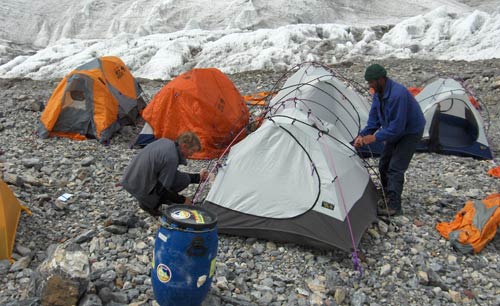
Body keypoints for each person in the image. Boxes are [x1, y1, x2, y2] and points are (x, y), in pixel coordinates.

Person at [354, 64, 425, 216]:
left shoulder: (397, 95)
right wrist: (362, 135)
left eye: (372, 82)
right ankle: (387, 195)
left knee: (395, 167)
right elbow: (374, 121)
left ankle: (394, 206)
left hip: (410, 132)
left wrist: (374, 138)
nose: (370, 85)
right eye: (368, 82)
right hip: (394, 131)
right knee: (383, 164)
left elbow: (398, 127)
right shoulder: (378, 95)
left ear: (381, 79)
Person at [121, 131, 209, 216]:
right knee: (171, 187)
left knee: (183, 179)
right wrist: (182, 200)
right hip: (138, 186)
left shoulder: (166, 142)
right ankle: (150, 205)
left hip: (130, 178)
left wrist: (198, 177)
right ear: (184, 146)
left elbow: (172, 174)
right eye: (192, 151)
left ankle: (155, 199)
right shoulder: (172, 158)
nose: (191, 155)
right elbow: (162, 189)